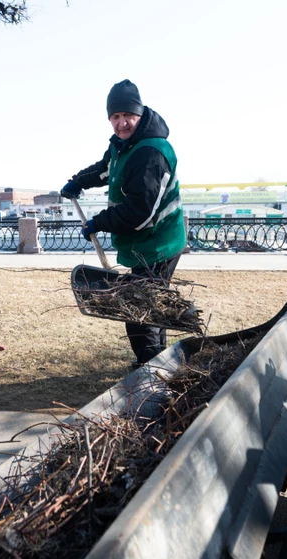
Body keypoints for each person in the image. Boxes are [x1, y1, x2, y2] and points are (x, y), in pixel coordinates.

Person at [60, 80, 186, 368]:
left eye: (127, 115)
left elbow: (140, 212)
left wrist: (99, 223)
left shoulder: (150, 152)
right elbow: (106, 170)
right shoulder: (123, 146)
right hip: (147, 243)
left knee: (138, 311)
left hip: (158, 243)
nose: (122, 123)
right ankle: (157, 363)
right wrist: (78, 181)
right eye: (115, 117)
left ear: (139, 114)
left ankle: (151, 371)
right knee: (153, 305)